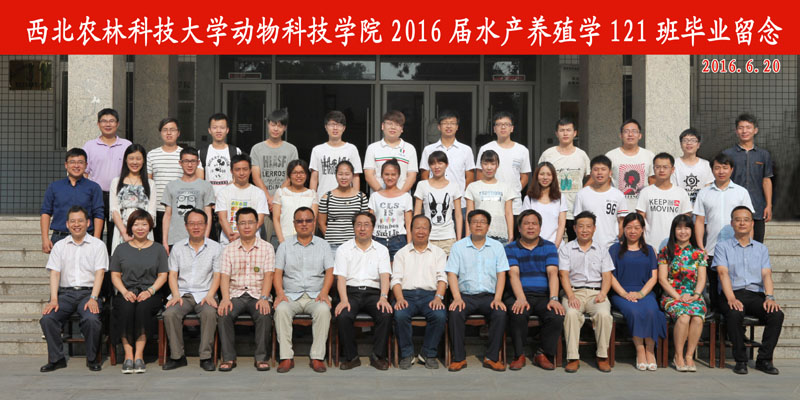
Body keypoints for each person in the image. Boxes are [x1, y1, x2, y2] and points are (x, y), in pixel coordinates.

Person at [712, 206, 784, 375]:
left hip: (754, 295)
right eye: (738, 220)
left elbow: (766, 274)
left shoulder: (761, 249)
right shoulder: (722, 247)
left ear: (752, 223)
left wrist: (770, 297)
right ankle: (741, 360)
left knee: (776, 314)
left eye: (746, 220)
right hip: (731, 293)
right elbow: (722, 273)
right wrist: (731, 298)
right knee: (735, 312)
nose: (742, 223)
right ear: (732, 223)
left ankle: (764, 360)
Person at [39, 206, 108, 372]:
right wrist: (53, 299)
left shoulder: (98, 245)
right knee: (48, 318)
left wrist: (93, 298)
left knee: (91, 319)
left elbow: (100, 273)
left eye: (80, 221)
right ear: (67, 224)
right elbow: (55, 273)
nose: (77, 224)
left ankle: (92, 359)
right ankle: (57, 359)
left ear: (88, 223)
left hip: (88, 293)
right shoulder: (59, 246)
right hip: (65, 294)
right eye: (73, 221)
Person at [446, 209, 510, 372]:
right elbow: (451, 274)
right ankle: (459, 358)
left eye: (482, 222)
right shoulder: (458, 246)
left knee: (500, 313)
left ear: (488, 226)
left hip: (489, 296)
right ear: (469, 225)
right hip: (465, 296)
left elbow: (501, 274)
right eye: (475, 222)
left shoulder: (497, 247)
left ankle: (492, 357)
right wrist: (457, 298)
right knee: (455, 312)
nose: (479, 225)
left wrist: (498, 298)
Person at [273, 207, 334, 373]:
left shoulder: (323, 245)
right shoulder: (284, 246)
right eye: (300, 221)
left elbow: (330, 272)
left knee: (323, 310)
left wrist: (324, 292)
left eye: (308, 220)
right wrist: (280, 293)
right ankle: (286, 357)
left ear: (314, 223)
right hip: (290, 296)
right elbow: (277, 273)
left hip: (316, 295)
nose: (304, 224)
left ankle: (317, 357)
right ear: (294, 224)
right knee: (281, 310)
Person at [503, 209, 565, 371]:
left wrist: (554, 298)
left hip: (543, 295)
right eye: (526, 224)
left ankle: (543, 353)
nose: (530, 227)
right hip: (518, 294)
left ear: (540, 227)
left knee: (556, 314)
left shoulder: (549, 247)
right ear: (519, 228)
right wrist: (521, 298)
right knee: (518, 312)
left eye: (534, 224)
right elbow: (513, 274)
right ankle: (519, 354)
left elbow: (553, 273)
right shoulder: (511, 248)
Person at [162, 208, 222, 372]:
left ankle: (206, 357)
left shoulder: (216, 247)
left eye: (200, 223)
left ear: (206, 225)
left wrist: (211, 295)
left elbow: (217, 275)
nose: (196, 227)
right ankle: (177, 356)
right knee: (170, 314)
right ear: (186, 226)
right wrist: (175, 294)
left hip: (206, 294)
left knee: (209, 313)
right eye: (192, 223)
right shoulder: (178, 247)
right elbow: (172, 274)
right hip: (183, 294)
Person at [110, 209, 169, 374]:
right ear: (130, 227)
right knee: (126, 308)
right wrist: (124, 291)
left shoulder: (158, 249)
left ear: (150, 226)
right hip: (126, 291)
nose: (140, 228)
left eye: (144, 224)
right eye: (136, 224)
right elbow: (115, 275)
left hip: (150, 292)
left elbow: (163, 275)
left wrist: (150, 291)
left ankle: (139, 355)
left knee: (143, 309)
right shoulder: (121, 249)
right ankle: (128, 354)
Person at [217, 207, 275, 372]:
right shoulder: (229, 249)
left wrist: (264, 298)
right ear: (237, 226)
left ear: (257, 224)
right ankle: (228, 358)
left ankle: (261, 358)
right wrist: (225, 298)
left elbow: (269, 275)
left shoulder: (267, 248)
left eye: (250, 222)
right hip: (236, 294)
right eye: (242, 223)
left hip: (258, 294)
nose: (247, 226)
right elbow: (224, 276)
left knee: (264, 313)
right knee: (224, 313)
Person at [333, 212, 393, 371]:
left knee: (385, 313)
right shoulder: (343, 249)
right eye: (358, 225)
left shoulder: (381, 249)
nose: (362, 228)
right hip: (350, 293)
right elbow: (341, 278)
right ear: (353, 227)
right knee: (343, 315)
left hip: (374, 293)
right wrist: (343, 300)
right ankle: (352, 357)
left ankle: (378, 356)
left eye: (366, 225)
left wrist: (384, 297)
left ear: (373, 228)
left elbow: (385, 276)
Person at [607, 213, 666, 371]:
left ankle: (650, 350)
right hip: (621, 293)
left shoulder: (649, 250)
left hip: (644, 292)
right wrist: (624, 294)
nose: (632, 231)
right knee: (634, 311)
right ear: (623, 229)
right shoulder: (614, 249)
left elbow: (654, 277)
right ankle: (640, 350)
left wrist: (640, 294)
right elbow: (610, 276)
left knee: (652, 311)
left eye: (636, 228)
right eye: (629, 227)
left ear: (642, 229)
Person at [558, 211, 614, 373]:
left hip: (596, 293)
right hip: (574, 292)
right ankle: (573, 357)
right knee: (571, 314)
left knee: (604, 315)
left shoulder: (602, 249)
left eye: (588, 226)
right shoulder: (567, 249)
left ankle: (602, 356)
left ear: (594, 228)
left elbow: (607, 275)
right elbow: (563, 275)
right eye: (581, 226)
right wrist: (570, 296)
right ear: (574, 228)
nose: (584, 230)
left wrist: (603, 293)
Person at [391, 215, 447, 370]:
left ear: (429, 231)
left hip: (430, 296)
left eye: (424, 228)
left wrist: (438, 297)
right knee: (400, 314)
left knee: (439, 315)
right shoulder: (401, 253)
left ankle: (428, 354)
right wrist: (399, 298)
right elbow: (395, 280)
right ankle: (407, 354)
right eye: (417, 227)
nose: (421, 231)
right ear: (411, 230)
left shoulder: (439, 253)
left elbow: (442, 278)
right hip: (406, 296)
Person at [658, 214, 708, 373]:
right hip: (672, 295)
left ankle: (689, 355)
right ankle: (678, 356)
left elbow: (702, 279)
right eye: (679, 228)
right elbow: (662, 279)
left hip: (694, 295)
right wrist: (678, 297)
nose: (683, 231)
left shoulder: (699, 253)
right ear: (674, 230)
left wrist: (696, 295)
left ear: (692, 231)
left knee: (698, 318)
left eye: (686, 228)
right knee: (684, 317)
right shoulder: (666, 251)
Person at [82, 108, 132, 250]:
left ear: (117, 124)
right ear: (98, 124)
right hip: (95, 196)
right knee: (93, 231)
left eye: (111, 121)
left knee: (115, 233)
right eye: (104, 121)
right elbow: (84, 172)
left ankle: (113, 262)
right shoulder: (89, 146)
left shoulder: (126, 145)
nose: (108, 124)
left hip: (119, 196)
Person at [419, 110, 476, 231]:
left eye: (452, 123)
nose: (448, 126)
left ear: (457, 127)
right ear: (439, 127)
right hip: (435, 205)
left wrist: (461, 196)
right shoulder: (428, 150)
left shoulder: (466, 150)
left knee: (459, 237)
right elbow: (424, 176)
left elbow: (470, 177)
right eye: (445, 123)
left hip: (460, 204)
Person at [693, 153, 754, 264]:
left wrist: (748, 247)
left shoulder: (742, 192)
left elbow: (748, 222)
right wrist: (701, 247)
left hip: (737, 250)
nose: (721, 172)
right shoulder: (703, 193)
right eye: (717, 168)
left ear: (731, 169)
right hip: (711, 250)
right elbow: (699, 222)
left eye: (725, 168)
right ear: (712, 170)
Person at [40, 148, 104, 253]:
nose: (76, 166)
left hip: (86, 238)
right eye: (72, 162)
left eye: (80, 162)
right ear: (66, 165)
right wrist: (45, 239)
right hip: (59, 238)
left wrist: (96, 240)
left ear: (86, 165)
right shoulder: (54, 187)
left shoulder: (94, 187)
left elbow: (98, 214)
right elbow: (45, 212)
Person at [722, 113, 774, 243]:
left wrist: (768, 205)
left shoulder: (763, 155)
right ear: (736, 131)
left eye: (748, 127)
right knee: (732, 244)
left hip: (757, 207)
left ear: (755, 130)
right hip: (733, 206)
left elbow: (766, 180)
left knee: (756, 244)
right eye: (741, 128)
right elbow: (722, 180)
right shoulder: (727, 154)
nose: (744, 131)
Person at [538, 118, 591, 242]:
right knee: (551, 241)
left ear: (575, 133)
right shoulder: (548, 154)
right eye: (562, 130)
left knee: (575, 244)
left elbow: (591, 177)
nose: (565, 133)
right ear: (556, 133)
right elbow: (539, 177)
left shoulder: (581, 155)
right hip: (553, 207)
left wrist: (583, 191)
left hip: (575, 208)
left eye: (568, 130)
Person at [251, 109, 299, 245]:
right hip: (263, 202)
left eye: (280, 125)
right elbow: (255, 176)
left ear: (285, 128)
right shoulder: (257, 149)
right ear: (268, 124)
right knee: (263, 242)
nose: (276, 129)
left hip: (285, 201)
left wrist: (276, 197)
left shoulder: (291, 149)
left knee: (286, 241)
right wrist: (268, 198)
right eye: (273, 125)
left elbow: (292, 176)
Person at [476, 112, 531, 216]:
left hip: (514, 204)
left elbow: (525, 176)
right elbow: (479, 175)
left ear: (512, 128)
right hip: (490, 202)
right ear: (494, 129)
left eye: (507, 124)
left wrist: (514, 191)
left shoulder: (522, 150)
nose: (503, 127)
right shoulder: (485, 148)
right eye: (499, 124)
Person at [162, 147, 215, 253]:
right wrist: (165, 241)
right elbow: (167, 215)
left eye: (193, 161)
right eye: (186, 161)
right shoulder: (171, 186)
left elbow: (208, 214)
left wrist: (206, 239)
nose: (190, 165)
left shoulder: (206, 186)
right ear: (180, 163)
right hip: (175, 239)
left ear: (198, 163)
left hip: (199, 239)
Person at [636, 152, 692, 250]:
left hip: (675, 247)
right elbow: (640, 221)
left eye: (665, 167)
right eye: (658, 167)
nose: (661, 170)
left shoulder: (681, 193)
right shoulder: (645, 192)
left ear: (672, 169)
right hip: (650, 246)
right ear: (653, 169)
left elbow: (686, 221)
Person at [109, 144, 157, 254]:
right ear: (126, 160)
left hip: (144, 231)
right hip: (122, 230)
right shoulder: (116, 182)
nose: (135, 162)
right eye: (131, 158)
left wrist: (141, 230)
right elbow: (114, 210)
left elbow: (151, 212)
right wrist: (124, 232)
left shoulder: (150, 184)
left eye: (138, 158)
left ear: (143, 161)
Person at [573, 155, 628, 248]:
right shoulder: (582, 194)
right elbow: (577, 221)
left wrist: (618, 238)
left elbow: (622, 221)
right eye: (596, 169)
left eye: (603, 169)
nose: (599, 173)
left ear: (610, 172)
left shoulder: (618, 195)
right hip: (588, 246)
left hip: (611, 246)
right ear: (591, 173)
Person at [413, 151, 462, 255]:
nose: (436, 167)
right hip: (427, 237)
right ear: (429, 166)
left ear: (446, 164)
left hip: (448, 237)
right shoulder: (422, 185)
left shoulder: (454, 186)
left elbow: (458, 215)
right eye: (433, 163)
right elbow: (417, 214)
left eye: (440, 163)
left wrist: (458, 239)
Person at [465, 150, 518, 244]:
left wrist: (510, 235)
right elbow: (469, 213)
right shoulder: (472, 187)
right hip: (478, 235)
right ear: (481, 165)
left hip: (501, 235)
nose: (489, 168)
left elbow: (509, 213)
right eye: (485, 164)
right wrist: (467, 234)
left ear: (497, 165)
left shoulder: (506, 187)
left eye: (492, 164)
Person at [215, 154, 269, 245]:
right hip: (228, 243)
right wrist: (232, 237)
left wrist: (240, 236)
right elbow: (222, 218)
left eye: (245, 169)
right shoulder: (223, 193)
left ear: (250, 170)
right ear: (231, 171)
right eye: (237, 169)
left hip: (253, 244)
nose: (241, 173)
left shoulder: (259, 193)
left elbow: (259, 220)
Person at [310, 110, 363, 201]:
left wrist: (356, 200)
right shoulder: (317, 150)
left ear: (344, 128)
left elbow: (355, 177)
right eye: (332, 124)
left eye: (339, 125)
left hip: (347, 200)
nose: (335, 128)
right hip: (323, 199)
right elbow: (314, 178)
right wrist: (313, 201)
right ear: (326, 127)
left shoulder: (351, 149)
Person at [604, 119, 655, 213]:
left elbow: (653, 182)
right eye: (626, 131)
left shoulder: (649, 155)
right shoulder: (611, 156)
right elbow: (605, 183)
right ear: (621, 135)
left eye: (634, 131)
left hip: (642, 209)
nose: (630, 134)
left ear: (640, 135)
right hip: (618, 208)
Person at [148, 118, 184, 244]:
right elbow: (149, 183)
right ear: (160, 133)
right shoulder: (152, 155)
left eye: (172, 130)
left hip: (180, 209)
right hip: (158, 208)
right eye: (165, 130)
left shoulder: (185, 155)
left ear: (178, 133)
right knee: (159, 245)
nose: (169, 133)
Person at [318, 160, 369, 251]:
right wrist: (331, 237)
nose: (344, 177)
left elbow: (364, 222)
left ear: (352, 175)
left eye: (347, 174)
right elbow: (321, 223)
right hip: (332, 246)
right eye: (340, 174)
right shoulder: (327, 197)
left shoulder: (361, 197)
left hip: (355, 246)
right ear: (336, 175)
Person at [364, 110, 418, 193]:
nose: (393, 127)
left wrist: (400, 194)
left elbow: (412, 176)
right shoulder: (372, 148)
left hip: (402, 197)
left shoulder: (410, 149)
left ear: (402, 129)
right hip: (378, 196)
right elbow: (369, 175)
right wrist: (383, 193)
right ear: (383, 126)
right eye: (389, 123)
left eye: (397, 124)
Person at [368, 159, 413, 261]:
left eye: (393, 174)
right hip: (377, 239)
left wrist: (409, 246)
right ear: (381, 175)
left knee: (398, 269)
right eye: (386, 174)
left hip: (398, 240)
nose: (390, 177)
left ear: (398, 176)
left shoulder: (406, 197)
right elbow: (370, 222)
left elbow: (409, 224)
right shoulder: (374, 196)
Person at [272, 159, 318, 245]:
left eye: (302, 172)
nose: (298, 176)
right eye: (295, 173)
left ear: (306, 175)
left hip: (305, 241)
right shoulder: (281, 192)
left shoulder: (312, 194)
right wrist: (281, 240)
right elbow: (276, 218)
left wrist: (309, 240)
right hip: (285, 239)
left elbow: (313, 220)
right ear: (289, 175)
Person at [522, 162, 567, 247]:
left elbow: (561, 224)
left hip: (556, 246)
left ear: (553, 177)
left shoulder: (560, 198)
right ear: (537, 176)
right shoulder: (529, 199)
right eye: (542, 174)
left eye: (549, 174)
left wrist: (555, 246)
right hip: (534, 246)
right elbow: (526, 224)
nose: (545, 177)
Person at [198, 113, 241, 194]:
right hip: (209, 198)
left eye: (222, 128)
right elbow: (200, 181)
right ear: (209, 130)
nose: (218, 131)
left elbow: (239, 176)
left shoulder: (235, 151)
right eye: (214, 128)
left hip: (230, 197)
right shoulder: (202, 153)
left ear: (227, 130)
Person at [671, 128, 713, 206]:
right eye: (685, 140)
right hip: (680, 207)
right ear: (680, 144)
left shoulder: (705, 164)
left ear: (698, 145)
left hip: (701, 208)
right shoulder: (674, 164)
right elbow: (673, 189)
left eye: (693, 140)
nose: (689, 143)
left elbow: (708, 188)